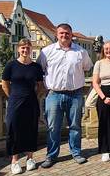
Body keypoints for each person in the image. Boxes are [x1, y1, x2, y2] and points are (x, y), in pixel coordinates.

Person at [37, 23, 93, 168]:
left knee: (75, 126)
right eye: (61, 33)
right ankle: (51, 155)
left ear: (71, 34)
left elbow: (87, 68)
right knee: (53, 127)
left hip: (75, 94)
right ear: (57, 34)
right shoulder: (46, 51)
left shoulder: (80, 52)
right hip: (54, 94)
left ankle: (76, 152)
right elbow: (40, 70)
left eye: (67, 33)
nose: (64, 35)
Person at [1, 39, 44, 174]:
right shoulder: (11, 65)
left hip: (31, 102)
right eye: (23, 48)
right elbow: (4, 84)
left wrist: (33, 96)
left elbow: (40, 86)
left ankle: (30, 158)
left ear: (31, 50)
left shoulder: (36, 67)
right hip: (15, 102)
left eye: (28, 48)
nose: (25, 50)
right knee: (13, 130)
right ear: (18, 49)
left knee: (31, 129)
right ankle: (14, 161)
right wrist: (13, 96)